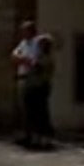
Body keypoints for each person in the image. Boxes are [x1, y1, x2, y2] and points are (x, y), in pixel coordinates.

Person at [11, 20, 39, 148]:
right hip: (22, 77)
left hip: (31, 79)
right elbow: (14, 55)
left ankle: (33, 136)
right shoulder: (23, 43)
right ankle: (25, 135)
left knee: (32, 108)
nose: (23, 33)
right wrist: (21, 58)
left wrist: (22, 59)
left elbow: (32, 61)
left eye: (25, 31)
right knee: (23, 108)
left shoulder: (36, 43)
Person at [26, 34, 56, 149]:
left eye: (41, 45)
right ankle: (37, 137)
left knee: (41, 113)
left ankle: (44, 138)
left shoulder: (45, 58)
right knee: (35, 113)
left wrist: (31, 63)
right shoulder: (40, 57)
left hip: (40, 87)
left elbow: (37, 69)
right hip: (35, 86)